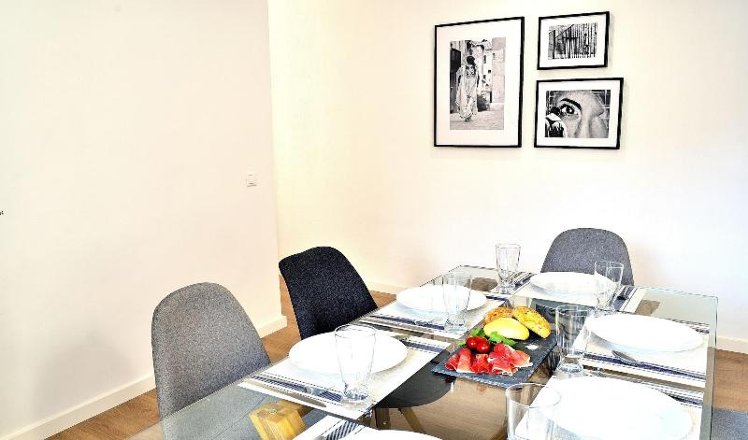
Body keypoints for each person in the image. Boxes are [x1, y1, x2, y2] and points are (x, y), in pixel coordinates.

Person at [455, 56, 479, 121]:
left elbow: (460, 76)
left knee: (464, 101)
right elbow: (477, 78)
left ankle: (467, 115)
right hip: (472, 85)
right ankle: (468, 116)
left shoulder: (463, 67)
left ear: (467, 60)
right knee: (471, 100)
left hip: (464, 85)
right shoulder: (475, 67)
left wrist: (460, 85)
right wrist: (476, 85)